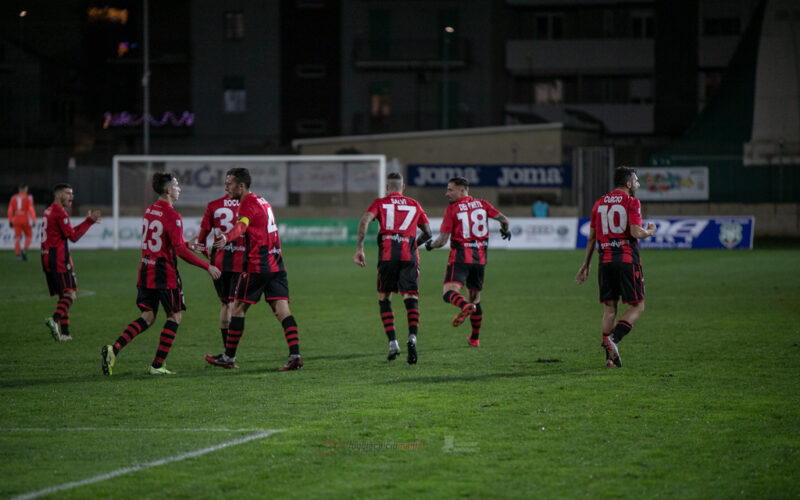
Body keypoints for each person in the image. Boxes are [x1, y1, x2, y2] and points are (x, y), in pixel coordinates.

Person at [100, 173, 221, 376]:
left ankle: (114, 349)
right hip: (165, 273)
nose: (179, 188)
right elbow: (179, 251)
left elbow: (168, 243)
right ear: (167, 190)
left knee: (147, 317)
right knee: (175, 316)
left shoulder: (150, 211)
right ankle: (157, 365)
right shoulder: (172, 216)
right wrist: (206, 266)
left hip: (146, 269)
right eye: (176, 185)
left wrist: (185, 244)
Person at [208, 167, 304, 371]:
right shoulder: (263, 201)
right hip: (276, 264)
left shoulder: (247, 205)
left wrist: (227, 237)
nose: (227, 186)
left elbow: (241, 226)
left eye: (230, 183)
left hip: (257, 266)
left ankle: (229, 357)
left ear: (241, 186)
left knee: (238, 308)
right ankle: (295, 355)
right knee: (282, 310)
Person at [575, 166, 656, 368]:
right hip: (627, 260)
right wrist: (650, 231)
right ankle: (614, 340)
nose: (637, 184)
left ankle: (610, 359)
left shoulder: (599, 203)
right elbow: (636, 232)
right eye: (636, 181)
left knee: (609, 309)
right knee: (637, 306)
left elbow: (592, 238)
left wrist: (585, 265)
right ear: (628, 184)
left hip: (605, 261)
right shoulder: (631, 202)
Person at [354, 172, 432, 364]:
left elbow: (364, 221)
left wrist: (360, 249)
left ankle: (392, 343)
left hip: (388, 256)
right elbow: (428, 233)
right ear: (403, 187)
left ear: (387, 187)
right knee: (411, 298)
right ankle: (412, 338)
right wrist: (414, 244)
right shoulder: (414, 204)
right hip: (409, 255)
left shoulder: (380, 203)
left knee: (384, 298)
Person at [424, 176, 510, 347]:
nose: (447, 193)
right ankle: (475, 338)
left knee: (449, 292)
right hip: (480, 260)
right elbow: (504, 220)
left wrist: (430, 245)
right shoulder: (483, 204)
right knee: (476, 300)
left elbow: (442, 240)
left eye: (450, 189)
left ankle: (464, 306)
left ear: (462, 190)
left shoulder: (453, 209)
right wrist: (504, 231)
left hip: (460, 257)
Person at [189, 175, 247, 364]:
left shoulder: (213, 205)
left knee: (225, 304)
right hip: (240, 261)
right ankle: (230, 354)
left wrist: (208, 256)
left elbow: (201, 239)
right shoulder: (245, 205)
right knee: (237, 306)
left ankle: (228, 352)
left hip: (219, 263)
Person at [41, 183, 101, 341]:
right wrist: (89, 221)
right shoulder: (60, 212)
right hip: (58, 258)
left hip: (47, 256)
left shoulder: (48, 211)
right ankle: (54, 320)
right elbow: (73, 237)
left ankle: (66, 333)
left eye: (72, 193)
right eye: (68, 193)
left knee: (63, 295)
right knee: (71, 294)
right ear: (58, 194)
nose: (71, 196)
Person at [8, 183, 37, 261]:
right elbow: (31, 209)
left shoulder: (13, 198)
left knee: (17, 238)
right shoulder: (28, 198)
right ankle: (24, 248)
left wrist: (10, 220)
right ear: (24, 189)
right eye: (26, 189)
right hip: (25, 219)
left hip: (16, 219)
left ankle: (18, 254)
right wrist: (34, 219)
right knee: (29, 236)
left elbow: (10, 210)